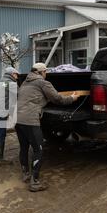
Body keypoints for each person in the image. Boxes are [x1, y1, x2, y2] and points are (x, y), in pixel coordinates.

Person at [16, 62, 80, 192]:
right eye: (45, 72)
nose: (46, 74)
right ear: (41, 72)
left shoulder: (25, 82)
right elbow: (58, 99)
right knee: (38, 150)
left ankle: (26, 174)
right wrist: (73, 98)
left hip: (18, 120)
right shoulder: (43, 83)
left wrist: (44, 100)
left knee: (24, 147)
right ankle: (35, 182)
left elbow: (31, 98)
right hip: (30, 120)